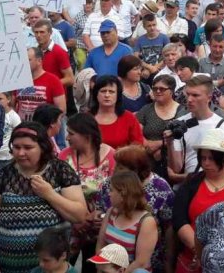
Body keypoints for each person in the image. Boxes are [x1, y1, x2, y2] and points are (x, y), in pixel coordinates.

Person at [0, 122, 87, 273]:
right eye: (16, 147)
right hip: (10, 265)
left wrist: (49, 194)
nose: (21, 153)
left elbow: (80, 215)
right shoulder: (4, 176)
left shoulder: (60, 171)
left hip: (51, 268)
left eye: (28, 148)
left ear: (43, 148)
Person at [96, 146, 174, 273]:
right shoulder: (111, 189)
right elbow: (101, 242)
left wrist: (168, 260)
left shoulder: (160, 189)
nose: (115, 170)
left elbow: (169, 225)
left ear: (136, 170)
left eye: (120, 167)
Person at [172, 128, 224, 273]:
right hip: (191, 260)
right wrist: (199, 249)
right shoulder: (192, 183)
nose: (206, 163)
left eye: (212, 158)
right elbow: (179, 219)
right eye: (203, 158)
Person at [59, 113, 116, 271]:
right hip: (70, 227)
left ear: (86, 135)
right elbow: (56, 194)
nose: (67, 137)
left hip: (99, 227)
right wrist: (77, 219)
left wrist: (101, 216)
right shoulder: (64, 157)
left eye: (71, 133)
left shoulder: (111, 156)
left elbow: (117, 192)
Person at [94, 170, 158, 272]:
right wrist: (103, 267)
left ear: (123, 194)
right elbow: (100, 245)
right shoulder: (111, 212)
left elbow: (141, 262)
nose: (109, 194)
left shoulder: (146, 222)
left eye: (112, 190)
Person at [136, 75, 187, 179]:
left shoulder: (182, 111)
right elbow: (136, 131)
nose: (158, 91)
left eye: (162, 89)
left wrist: (159, 144)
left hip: (173, 160)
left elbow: (182, 137)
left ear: (171, 91)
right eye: (155, 88)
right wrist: (147, 145)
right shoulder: (146, 109)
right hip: (147, 161)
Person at [90, 76, 145, 149]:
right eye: (103, 91)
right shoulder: (86, 118)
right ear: (96, 94)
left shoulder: (129, 118)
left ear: (118, 95)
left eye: (111, 92)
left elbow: (138, 146)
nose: (107, 95)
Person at [0, 92, 22, 173]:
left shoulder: (13, 117)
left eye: (0, 99)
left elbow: (19, 135)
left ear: (8, 99)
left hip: (6, 156)